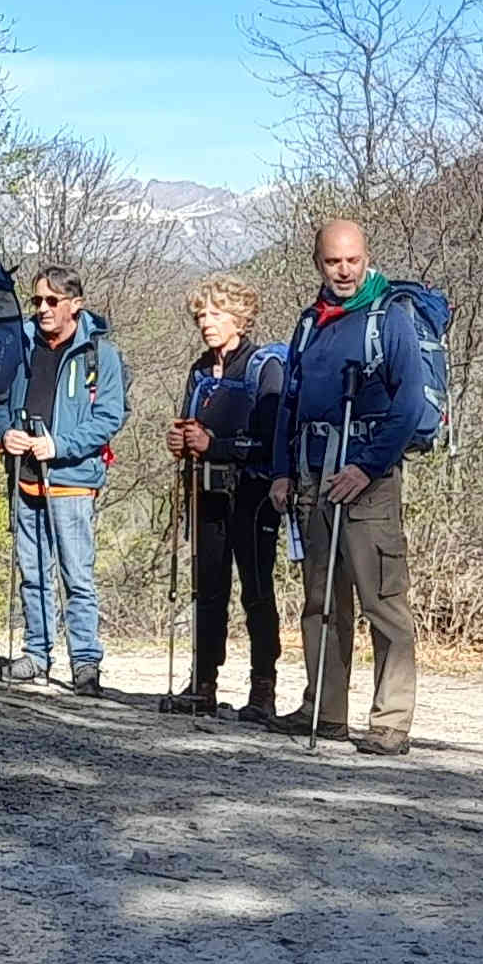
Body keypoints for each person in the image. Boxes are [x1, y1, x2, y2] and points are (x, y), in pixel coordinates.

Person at [263, 220, 422, 754]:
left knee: (383, 602)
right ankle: (324, 711)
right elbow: (291, 401)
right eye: (334, 261)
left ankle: (390, 721)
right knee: (320, 600)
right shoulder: (309, 323)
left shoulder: (388, 318)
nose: (345, 270)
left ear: (366, 257)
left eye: (352, 260)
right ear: (319, 263)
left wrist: (369, 467)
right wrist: (282, 469)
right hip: (313, 477)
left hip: (367, 483)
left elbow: (410, 406)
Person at [0, 265, 128, 694]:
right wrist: (3, 430)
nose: (42, 309)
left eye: (52, 301)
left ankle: (85, 662)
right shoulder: (21, 345)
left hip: (71, 479)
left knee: (76, 575)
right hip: (24, 476)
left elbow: (109, 417)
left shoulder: (100, 355)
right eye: (37, 301)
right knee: (31, 570)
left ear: (75, 304)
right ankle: (36, 653)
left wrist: (60, 445)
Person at [164, 275, 285, 722]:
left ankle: (262, 690)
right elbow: (189, 427)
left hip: (252, 496)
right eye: (201, 315)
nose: (206, 323)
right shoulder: (198, 370)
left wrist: (214, 443)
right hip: (207, 494)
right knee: (208, 590)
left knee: (256, 591)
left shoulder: (263, 366)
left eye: (215, 314)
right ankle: (203, 683)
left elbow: (271, 443)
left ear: (240, 316)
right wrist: (181, 442)